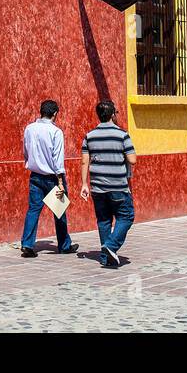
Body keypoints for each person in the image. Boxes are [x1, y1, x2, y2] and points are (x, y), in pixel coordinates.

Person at [79, 99, 136, 268]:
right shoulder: (122, 135)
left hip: (97, 186)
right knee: (126, 217)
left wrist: (84, 184)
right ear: (113, 114)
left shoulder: (89, 136)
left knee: (103, 221)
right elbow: (132, 160)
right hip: (118, 185)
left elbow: (84, 162)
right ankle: (111, 246)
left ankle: (105, 257)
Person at [19, 99, 78, 257]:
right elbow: (57, 158)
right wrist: (60, 180)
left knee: (33, 210)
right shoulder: (56, 132)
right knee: (59, 211)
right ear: (55, 114)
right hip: (52, 177)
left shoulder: (29, 129)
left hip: (35, 176)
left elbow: (25, 149)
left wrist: (30, 162)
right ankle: (65, 245)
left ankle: (27, 244)